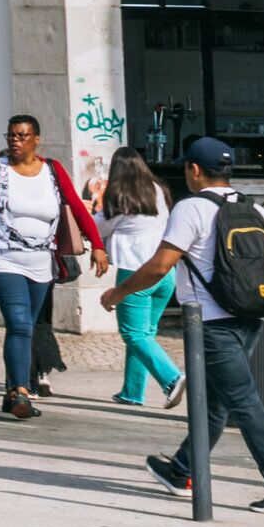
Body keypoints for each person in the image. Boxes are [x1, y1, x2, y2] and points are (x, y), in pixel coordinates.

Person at [108, 136, 264, 509]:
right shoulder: (258, 210)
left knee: (244, 402)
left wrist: (117, 293)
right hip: (250, 319)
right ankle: (181, 469)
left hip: (213, 325)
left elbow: (160, 265)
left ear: (195, 170)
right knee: (216, 403)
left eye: (187, 166)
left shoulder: (191, 209)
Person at [0, 113, 101, 420]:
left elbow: (75, 206)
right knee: (20, 324)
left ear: (37, 139)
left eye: (22, 136)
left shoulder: (53, 171)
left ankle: (12, 391)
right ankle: (22, 390)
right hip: (3, 258)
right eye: (11, 135)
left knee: (27, 327)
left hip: (42, 262)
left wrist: (97, 245)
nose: (16, 141)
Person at [97, 150, 183, 408]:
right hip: (165, 273)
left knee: (134, 334)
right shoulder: (158, 190)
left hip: (135, 274)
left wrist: (95, 207)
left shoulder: (119, 198)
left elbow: (98, 227)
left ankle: (172, 378)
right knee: (145, 334)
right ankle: (132, 392)